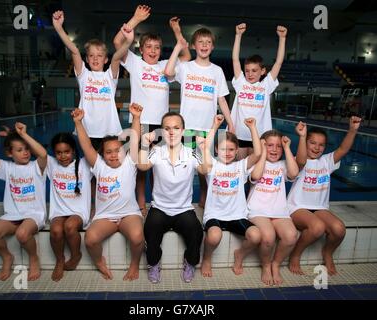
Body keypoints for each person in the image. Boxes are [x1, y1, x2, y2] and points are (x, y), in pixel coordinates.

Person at [113, 5, 191, 215]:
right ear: (141, 49)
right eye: (149, 47)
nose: (153, 51)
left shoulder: (166, 65)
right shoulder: (135, 64)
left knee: (161, 168)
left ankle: (158, 204)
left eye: (157, 47)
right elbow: (118, 43)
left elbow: (185, 56)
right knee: (139, 168)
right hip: (140, 123)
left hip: (163, 127)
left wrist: (177, 32)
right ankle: (140, 206)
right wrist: (135, 19)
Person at [72, 103, 144, 281]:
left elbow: (134, 139)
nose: (113, 155)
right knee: (90, 239)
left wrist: (136, 117)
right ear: (102, 155)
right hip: (105, 216)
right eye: (108, 152)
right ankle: (99, 262)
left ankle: (134, 264)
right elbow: (87, 146)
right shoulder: (99, 166)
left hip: (129, 214)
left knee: (136, 237)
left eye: (117, 150)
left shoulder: (130, 162)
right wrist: (78, 123)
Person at [164, 27, 235, 208]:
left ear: (212, 47)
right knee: (185, 168)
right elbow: (168, 72)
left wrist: (231, 122)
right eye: (200, 42)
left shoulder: (217, 71)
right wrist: (178, 47)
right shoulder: (186, 67)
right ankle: (181, 204)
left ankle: (205, 201)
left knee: (206, 169)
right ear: (194, 46)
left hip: (208, 128)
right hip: (187, 128)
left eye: (208, 42)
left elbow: (222, 99)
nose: (204, 45)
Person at [288, 117, 362, 276]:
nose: (317, 148)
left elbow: (343, 149)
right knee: (317, 228)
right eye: (312, 143)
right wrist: (301, 136)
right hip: (297, 207)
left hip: (319, 208)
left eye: (321, 145)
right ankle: (295, 254)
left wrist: (353, 130)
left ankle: (327, 253)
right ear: (306, 143)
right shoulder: (297, 160)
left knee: (339, 229)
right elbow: (301, 161)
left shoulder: (327, 161)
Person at [138, 112, 206, 283]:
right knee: (150, 230)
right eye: (167, 128)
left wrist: (204, 149)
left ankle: (190, 262)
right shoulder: (156, 152)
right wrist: (145, 144)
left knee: (197, 233)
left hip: (183, 209)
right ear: (161, 132)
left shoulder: (191, 153)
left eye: (176, 128)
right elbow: (142, 165)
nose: (171, 132)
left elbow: (206, 170)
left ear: (183, 131)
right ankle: (154, 263)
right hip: (160, 208)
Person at [53, 10, 134, 149]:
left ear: (105, 59)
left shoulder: (110, 76)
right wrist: (59, 28)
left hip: (109, 131)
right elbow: (74, 50)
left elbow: (117, 57)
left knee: (108, 166)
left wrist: (128, 42)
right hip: (86, 130)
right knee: (90, 167)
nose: (95, 58)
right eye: (91, 55)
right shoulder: (84, 75)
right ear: (87, 59)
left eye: (99, 55)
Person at [0, 118, 47, 281]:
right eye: (19, 150)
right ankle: (7, 257)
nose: (25, 152)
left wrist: (23, 134)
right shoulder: (6, 168)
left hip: (33, 214)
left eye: (26, 149)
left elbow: (43, 153)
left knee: (22, 234)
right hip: (12, 215)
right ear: (10, 153)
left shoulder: (36, 167)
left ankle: (33, 258)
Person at [200, 115, 261, 277]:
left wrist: (252, 128)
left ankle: (239, 254)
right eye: (223, 149)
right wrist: (215, 125)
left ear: (237, 151)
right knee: (214, 237)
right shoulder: (212, 166)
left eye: (231, 150)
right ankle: (206, 258)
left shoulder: (241, 166)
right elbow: (205, 148)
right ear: (216, 150)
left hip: (237, 215)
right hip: (215, 214)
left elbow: (258, 153)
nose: (227, 153)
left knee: (255, 236)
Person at [247, 130, 299, 285]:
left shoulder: (284, 165)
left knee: (291, 236)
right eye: (270, 145)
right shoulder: (254, 163)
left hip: (279, 212)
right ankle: (266, 265)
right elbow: (256, 177)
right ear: (263, 146)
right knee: (268, 237)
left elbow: (294, 173)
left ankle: (275, 264)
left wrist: (288, 147)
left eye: (278, 146)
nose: (275, 149)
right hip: (257, 210)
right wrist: (263, 153)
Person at [230, 23, 287, 159]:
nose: (250, 74)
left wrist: (282, 38)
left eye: (254, 70)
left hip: (260, 135)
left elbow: (278, 63)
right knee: (241, 172)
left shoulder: (266, 85)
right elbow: (235, 60)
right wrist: (238, 36)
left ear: (263, 71)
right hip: (239, 134)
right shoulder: (241, 83)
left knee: (256, 173)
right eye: (247, 71)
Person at [47, 132, 92, 281]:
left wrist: (78, 123)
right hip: (59, 211)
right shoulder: (51, 164)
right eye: (58, 153)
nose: (63, 156)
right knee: (55, 229)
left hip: (78, 212)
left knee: (70, 226)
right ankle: (60, 260)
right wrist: (21, 134)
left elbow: (89, 147)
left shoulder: (84, 165)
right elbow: (39, 152)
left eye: (67, 151)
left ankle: (75, 255)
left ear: (73, 150)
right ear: (54, 154)